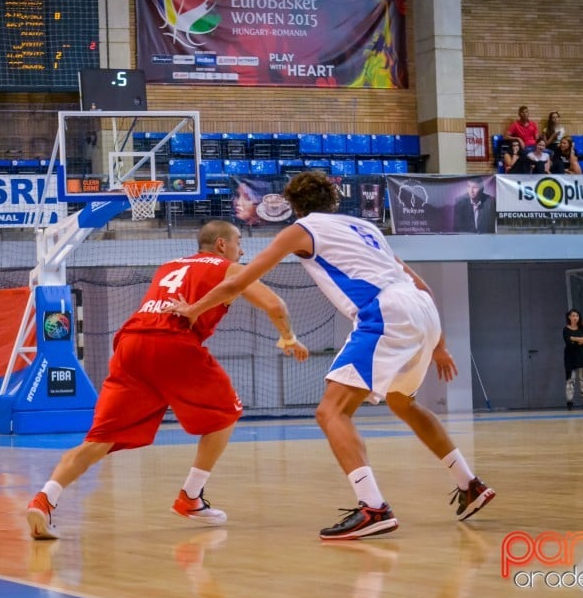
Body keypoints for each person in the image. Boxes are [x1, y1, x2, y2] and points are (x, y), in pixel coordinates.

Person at [166, 172, 495, 540]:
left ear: (293, 206)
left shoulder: (301, 230)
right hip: (421, 310)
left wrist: (193, 309)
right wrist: (439, 345)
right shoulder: (364, 226)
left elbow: (239, 281)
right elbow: (423, 285)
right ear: (334, 200)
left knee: (331, 412)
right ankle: (469, 484)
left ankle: (374, 509)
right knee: (404, 403)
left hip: (385, 312)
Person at [26, 220, 309, 540]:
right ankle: (191, 496)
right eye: (238, 242)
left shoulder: (169, 266)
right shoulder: (230, 269)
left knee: (98, 441)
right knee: (227, 413)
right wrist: (289, 337)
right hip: (173, 342)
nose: (241, 250)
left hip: (130, 345)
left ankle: (44, 500)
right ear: (221, 245)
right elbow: (275, 304)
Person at [562, 309, 583, 410]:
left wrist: (574, 338)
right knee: (571, 380)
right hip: (570, 358)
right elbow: (569, 342)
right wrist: (582, 340)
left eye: (577, 316)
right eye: (573, 316)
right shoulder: (566, 330)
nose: (575, 318)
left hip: (582, 357)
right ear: (569, 317)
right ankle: (569, 402)